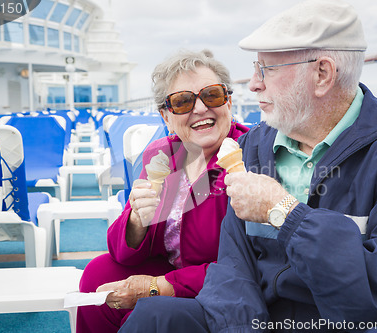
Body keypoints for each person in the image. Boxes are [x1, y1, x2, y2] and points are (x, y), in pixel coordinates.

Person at [120, 1, 377, 332]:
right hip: (266, 316)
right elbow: (234, 266)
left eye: (265, 69)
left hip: (360, 321)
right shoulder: (256, 145)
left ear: (322, 74)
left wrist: (284, 212)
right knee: (155, 317)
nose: (253, 84)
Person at [76, 49, 249, 332]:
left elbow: (248, 265)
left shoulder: (247, 155)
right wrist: (136, 221)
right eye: (182, 101)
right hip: (173, 269)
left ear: (228, 101)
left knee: (150, 308)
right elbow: (123, 254)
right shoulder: (161, 155)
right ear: (165, 116)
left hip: (223, 284)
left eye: (212, 95)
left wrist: (158, 286)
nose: (201, 108)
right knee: (98, 274)